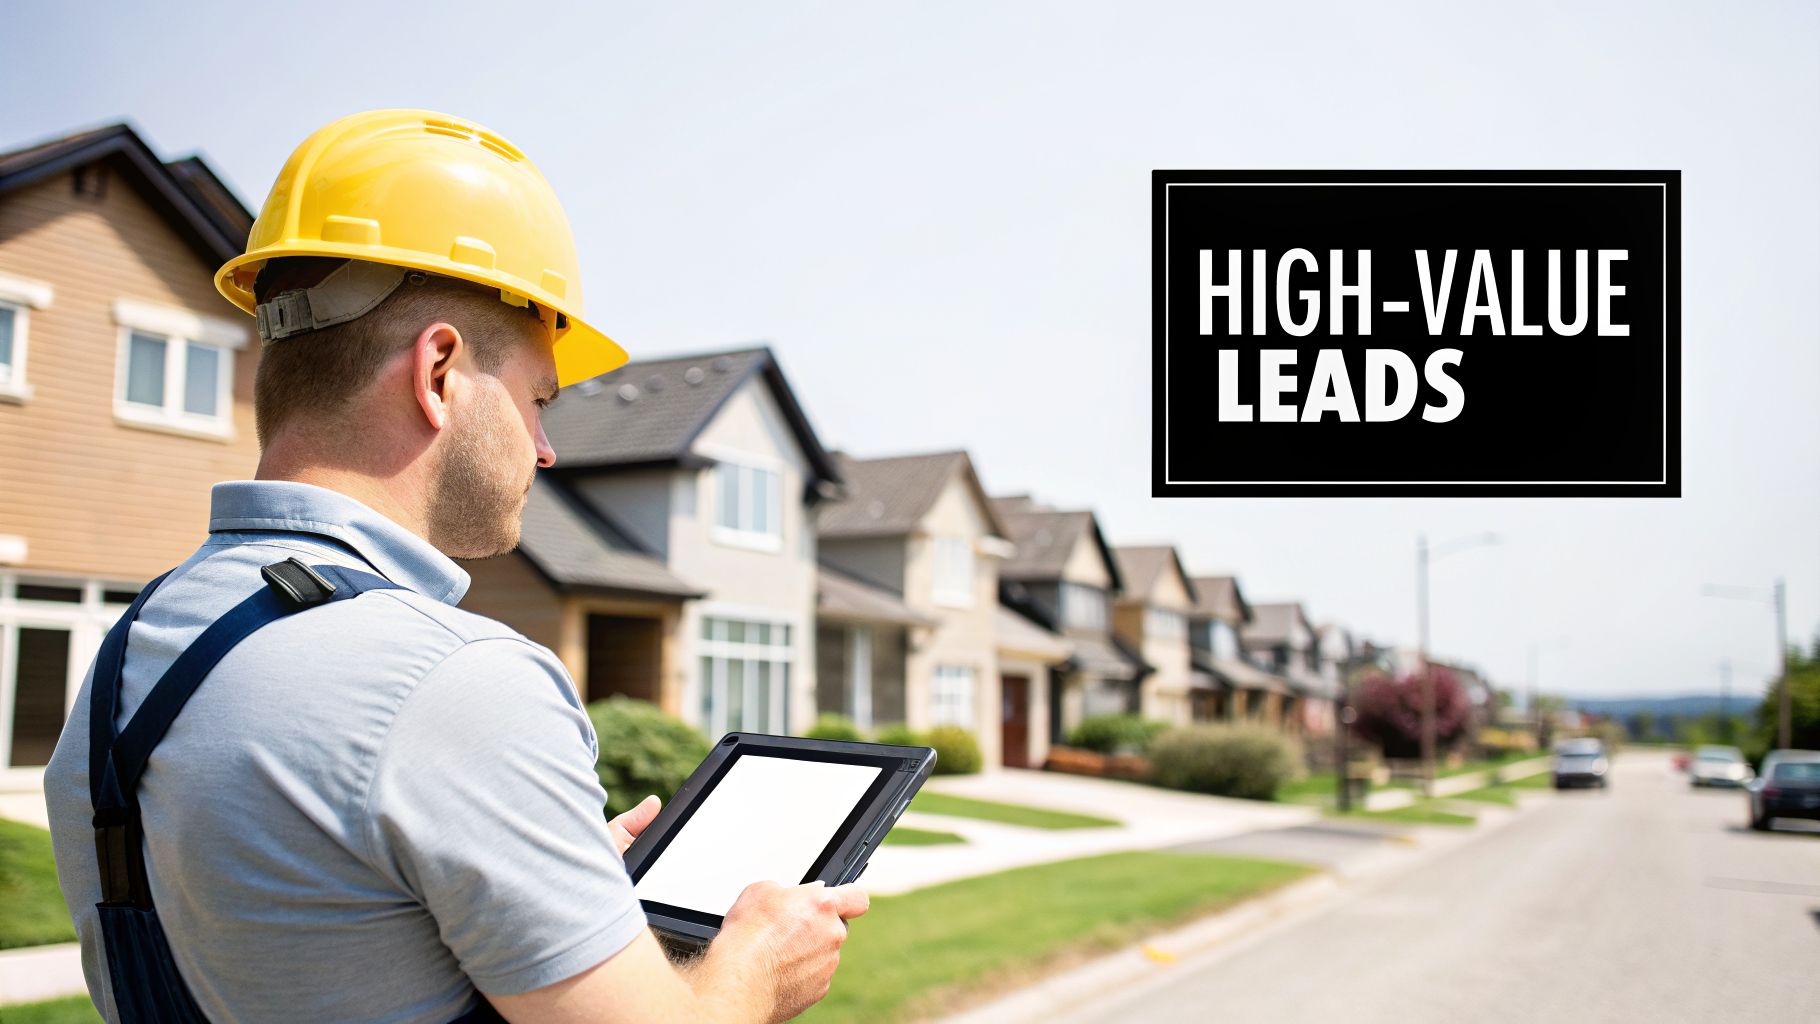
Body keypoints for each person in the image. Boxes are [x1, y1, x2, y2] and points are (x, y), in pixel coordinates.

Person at [44, 110, 867, 1024]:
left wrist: (523, 868)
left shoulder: (134, 652)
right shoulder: (454, 683)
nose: (546, 449)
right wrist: (758, 966)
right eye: (537, 399)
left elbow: (319, 921)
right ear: (439, 372)